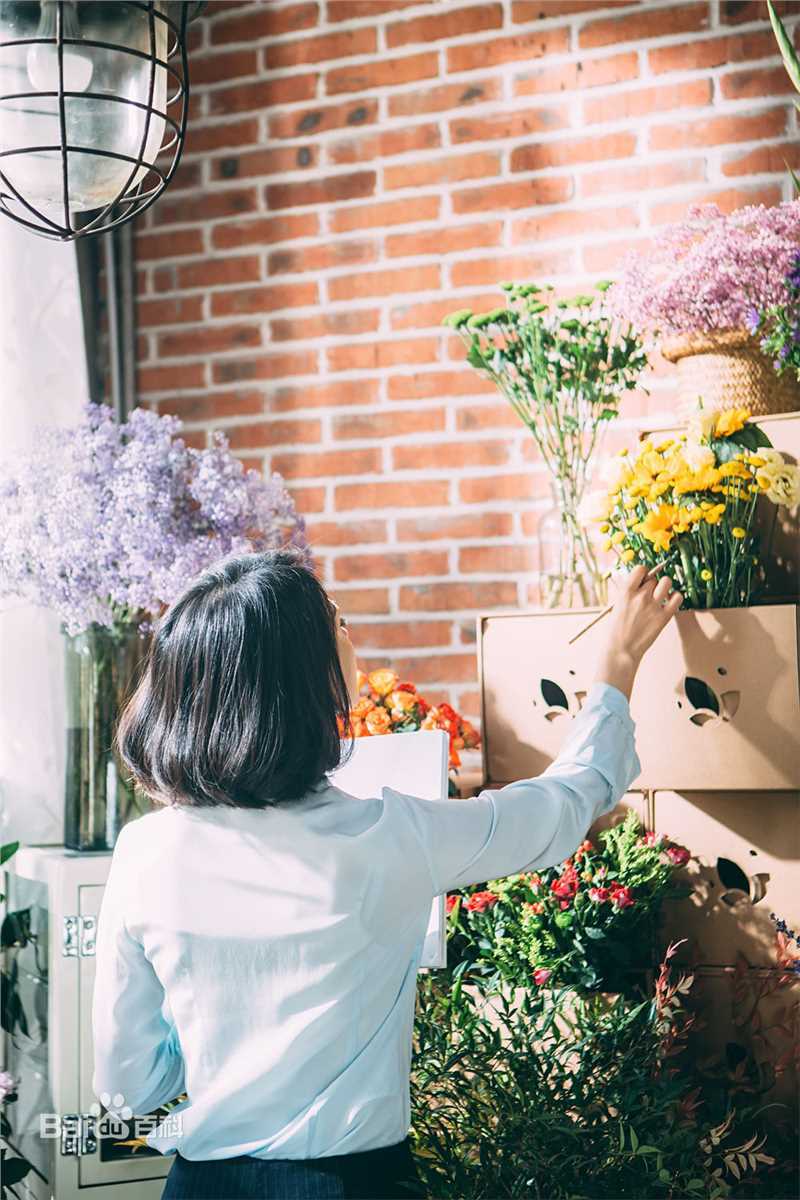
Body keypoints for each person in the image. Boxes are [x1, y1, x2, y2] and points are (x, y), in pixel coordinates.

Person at [91, 550, 682, 1200]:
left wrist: (217, 1043)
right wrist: (617, 663)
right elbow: (562, 807)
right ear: (303, 678)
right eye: (337, 623)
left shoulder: (145, 853)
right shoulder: (388, 838)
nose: (351, 639)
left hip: (202, 1186)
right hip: (351, 1184)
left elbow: (130, 1087)